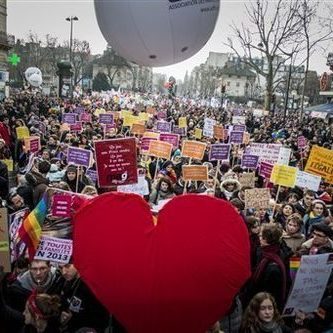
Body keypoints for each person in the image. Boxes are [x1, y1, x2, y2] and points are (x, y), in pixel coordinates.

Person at [58, 263, 110, 333]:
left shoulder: (91, 287)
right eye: (60, 268)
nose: (64, 272)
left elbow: (101, 317)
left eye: (67, 266)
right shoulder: (62, 282)